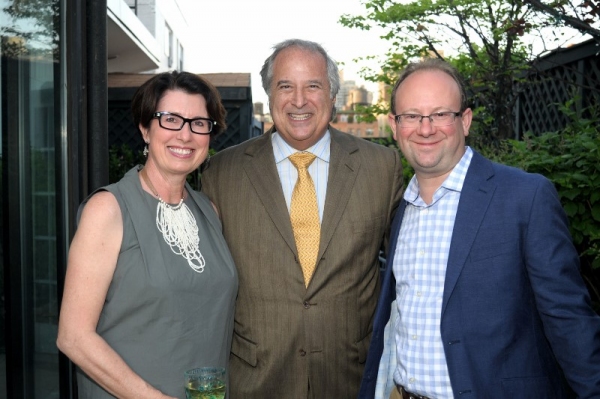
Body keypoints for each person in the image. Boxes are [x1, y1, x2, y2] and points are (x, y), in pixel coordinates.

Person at [359, 58, 600, 399]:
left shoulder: (524, 197)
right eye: (411, 116)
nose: (425, 129)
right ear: (395, 126)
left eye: (441, 114)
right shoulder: (401, 210)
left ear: (465, 120)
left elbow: (568, 319)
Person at [201, 39, 403, 398]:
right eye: (285, 86)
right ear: (268, 94)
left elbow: (407, 273)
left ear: (332, 95)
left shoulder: (381, 167)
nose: (298, 100)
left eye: (312, 85)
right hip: (257, 380)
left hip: (351, 378)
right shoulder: (222, 172)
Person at [56, 71, 238, 399]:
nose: (185, 135)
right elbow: (73, 337)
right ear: (145, 129)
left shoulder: (210, 211)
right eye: (171, 119)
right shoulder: (108, 209)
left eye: (199, 123)